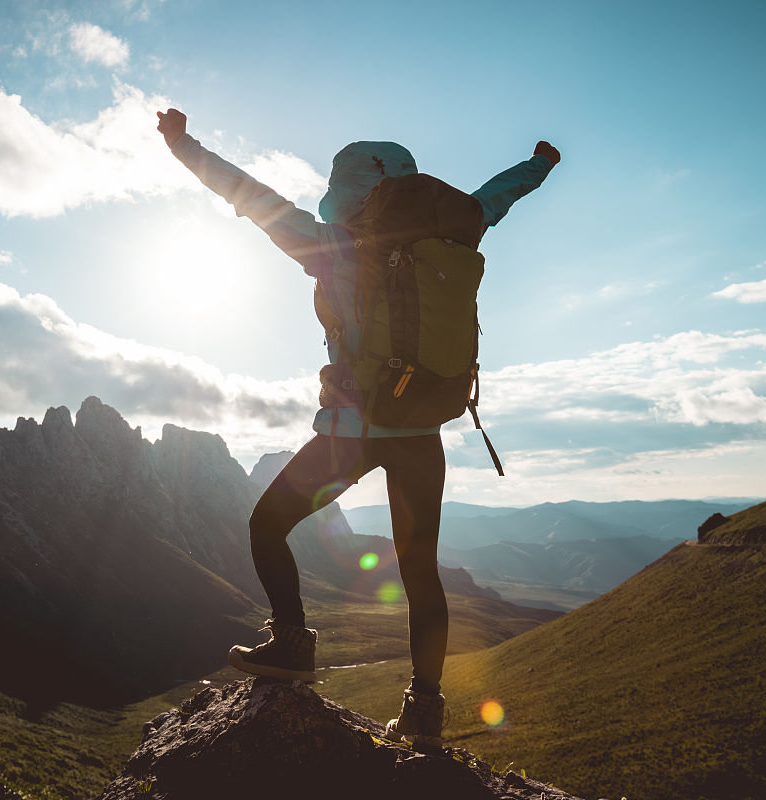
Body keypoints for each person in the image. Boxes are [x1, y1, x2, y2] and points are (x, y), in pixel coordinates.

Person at [156, 107, 559, 749]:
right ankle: (424, 713)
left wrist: (182, 145)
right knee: (421, 573)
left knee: (267, 524)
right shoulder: (457, 229)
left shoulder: (333, 246)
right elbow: (497, 196)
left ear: (343, 190)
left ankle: (291, 646)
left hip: (351, 431)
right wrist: (540, 163)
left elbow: (248, 195)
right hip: (422, 430)